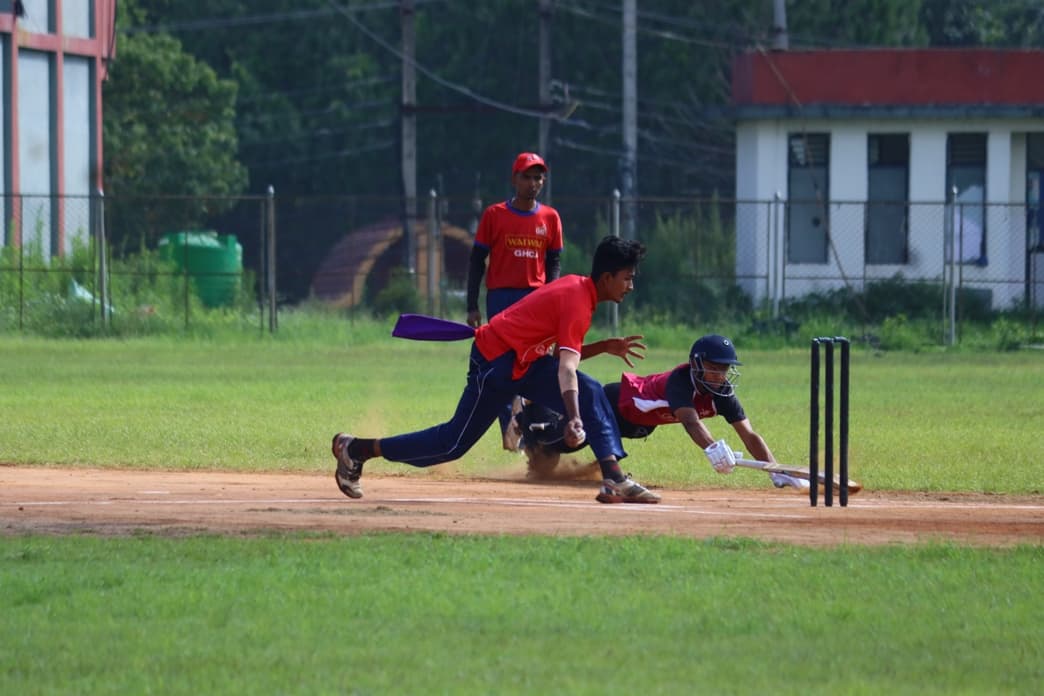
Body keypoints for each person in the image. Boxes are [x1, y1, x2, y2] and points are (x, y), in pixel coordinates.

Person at [332, 235, 661, 504]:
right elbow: (566, 370)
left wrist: (603, 347)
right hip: (494, 362)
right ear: (607, 277)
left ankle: (612, 476)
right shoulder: (577, 301)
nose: (630, 286)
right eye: (627, 278)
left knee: (589, 389)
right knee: (452, 443)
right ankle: (357, 448)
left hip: (521, 363)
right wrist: (574, 417)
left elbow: (561, 359)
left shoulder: (580, 293)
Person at [516, 334, 807, 490]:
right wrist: (714, 448)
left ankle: (541, 427)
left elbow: (749, 433)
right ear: (696, 363)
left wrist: (775, 469)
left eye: (725, 369)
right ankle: (529, 422)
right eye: (714, 368)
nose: (721, 375)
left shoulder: (723, 394)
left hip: (640, 425)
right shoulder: (680, 381)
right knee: (570, 440)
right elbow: (691, 422)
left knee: (588, 438)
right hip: (616, 402)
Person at [466, 152, 563, 451]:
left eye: (538, 177)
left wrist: (555, 301)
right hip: (502, 299)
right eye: (526, 177)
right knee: (502, 365)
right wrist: (472, 304)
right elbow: (476, 261)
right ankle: (511, 426)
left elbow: (554, 263)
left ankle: (532, 430)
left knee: (535, 365)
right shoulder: (495, 215)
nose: (533, 183)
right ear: (514, 179)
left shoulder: (550, 217)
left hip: (534, 299)